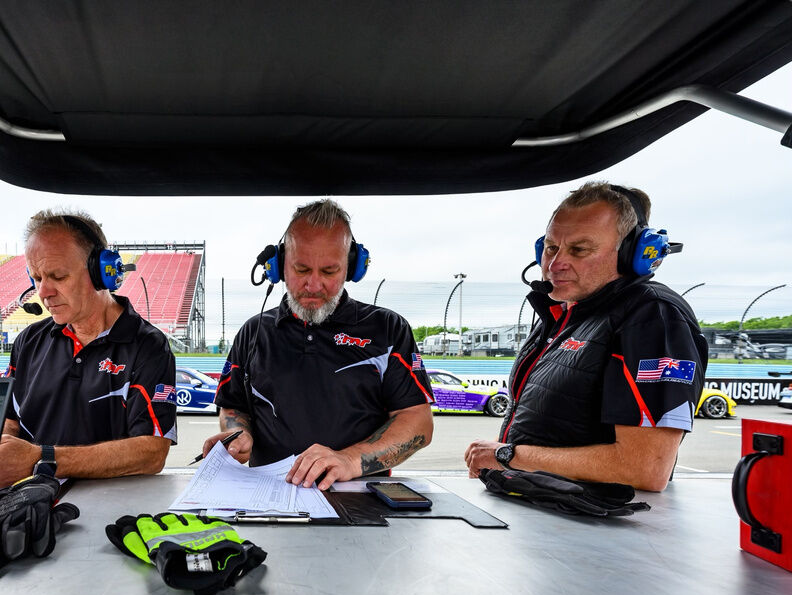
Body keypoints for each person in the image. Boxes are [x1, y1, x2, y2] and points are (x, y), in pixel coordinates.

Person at [464, 182, 708, 491]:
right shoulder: (566, 313)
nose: (554, 264)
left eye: (579, 250)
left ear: (632, 254)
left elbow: (645, 468)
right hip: (546, 509)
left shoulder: (653, 317)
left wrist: (508, 455)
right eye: (550, 248)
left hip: (602, 521)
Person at [203, 199, 434, 490]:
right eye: (301, 269)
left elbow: (418, 422)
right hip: (266, 497)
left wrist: (349, 460)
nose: (313, 285)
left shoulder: (388, 328)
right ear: (278, 266)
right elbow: (233, 408)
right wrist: (238, 435)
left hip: (359, 499)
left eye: (328, 271)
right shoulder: (253, 331)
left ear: (351, 268)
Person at [0, 210, 177, 487]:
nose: (43, 292)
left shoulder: (148, 346)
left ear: (101, 273)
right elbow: (11, 422)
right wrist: (1, 454)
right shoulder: (28, 340)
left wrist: (43, 459)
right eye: (37, 278)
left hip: (109, 505)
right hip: (29, 501)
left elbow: (152, 453)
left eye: (58, 276)